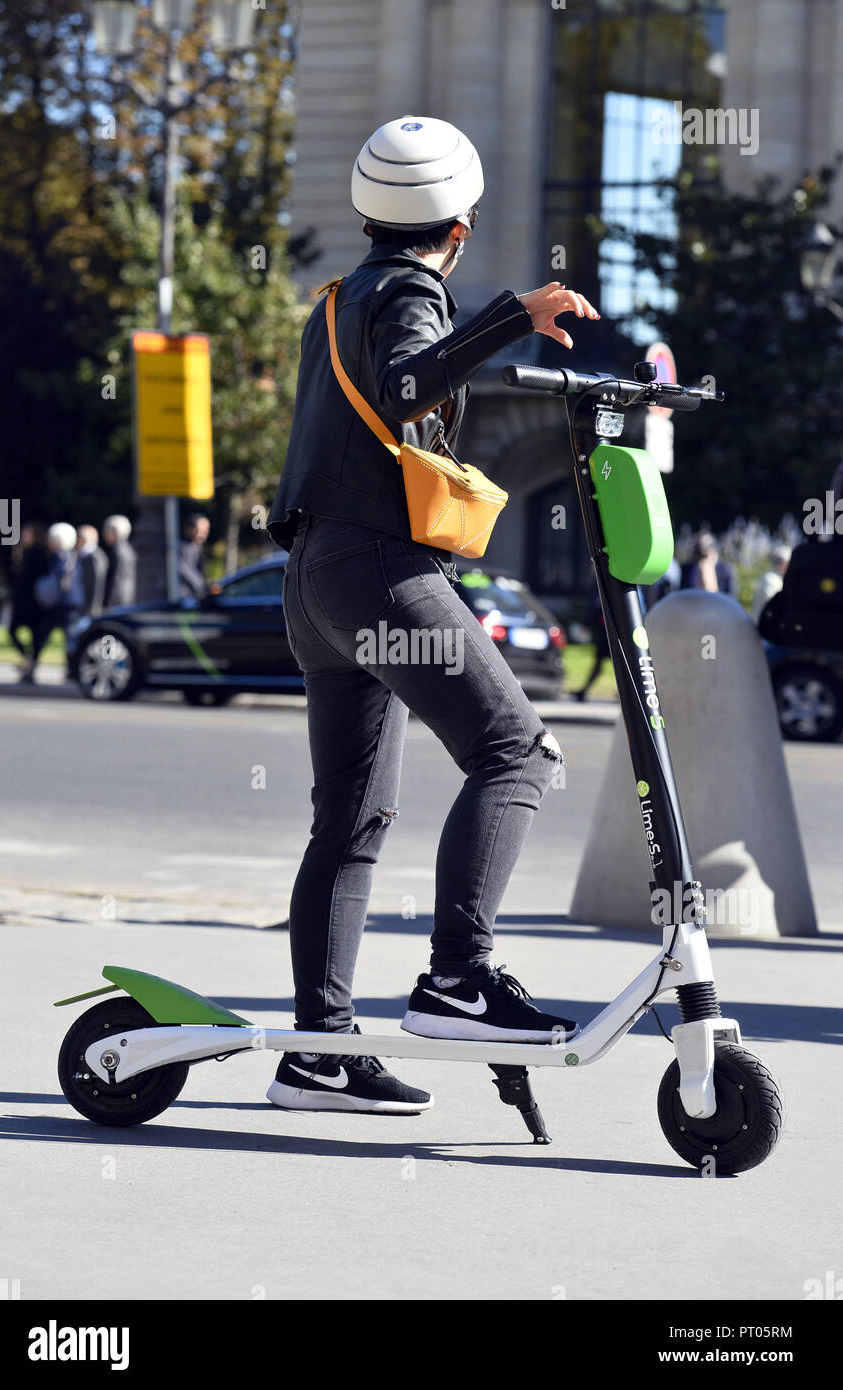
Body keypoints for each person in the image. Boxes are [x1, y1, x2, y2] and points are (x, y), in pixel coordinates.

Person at [265, 115, 600, 1114]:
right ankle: (457, 979)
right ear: (455, 222)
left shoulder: (338, 297)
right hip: (378, 567)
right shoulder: (410, 290)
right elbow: (409, 383)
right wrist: (514, 316)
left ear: (373, 212)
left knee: (351, 820)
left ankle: (318, 1053)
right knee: (518, 753)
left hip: (317, 577)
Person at [32, 522, 85, 670]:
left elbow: (63, 578)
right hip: (70, 603)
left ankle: (33, 664)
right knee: (69, 637)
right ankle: (72, 668)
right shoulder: (73, 555)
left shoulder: (60, 556)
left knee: (46, 635)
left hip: (61, 603)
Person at [6, 522, 49, 683]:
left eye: (27, 534)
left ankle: (29, 666)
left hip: (32, 604)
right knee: (17, 632)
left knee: (33, 636)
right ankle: (28, 662)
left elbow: (28, 580)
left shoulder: (37, 554)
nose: (24, 537)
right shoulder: (24, 553)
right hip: (26, 603)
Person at [573, 592, 610, 702]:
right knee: (599, 663)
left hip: (612, 632)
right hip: (606, 632)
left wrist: (587, 622)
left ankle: (584, 690)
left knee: (618, 664)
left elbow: (596, 605)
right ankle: (584, 690)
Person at [680, 531, 734, 595]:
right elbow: (681, 594)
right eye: (698, 554)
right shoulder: (686, 569)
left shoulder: (725, 570)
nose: (701, 562)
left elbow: (731, 598)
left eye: (704, 556)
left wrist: (709, 577)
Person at [750, 543, 791, 623]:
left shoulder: (775, 578)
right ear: (783, 563)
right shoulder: (771, 580)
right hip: (764, 629)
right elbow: (774, 608)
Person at [102, 515, 137, 607]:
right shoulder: (127, 548)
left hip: (116, 597)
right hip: (127, 594)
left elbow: (116, 577)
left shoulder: (117, 550)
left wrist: (108, 601)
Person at [75, 524, 108, 615]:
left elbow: (96, 585)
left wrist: (92, 608)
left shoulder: (93, 557)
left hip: (90, 607)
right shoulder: (90, 555)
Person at [178, 513, 210, 600]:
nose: (201, 535)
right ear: (188, 529)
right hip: (185, 597)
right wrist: (201, 588)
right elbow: (184, 570)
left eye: (205, 531)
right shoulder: (182, 547)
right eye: (198, 530)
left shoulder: (197, 547)